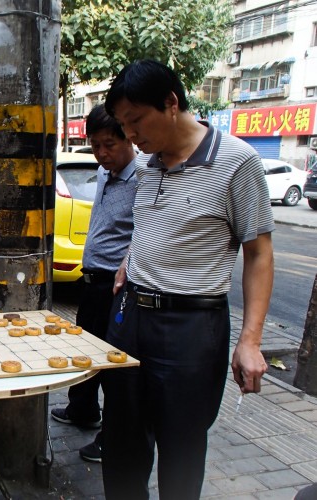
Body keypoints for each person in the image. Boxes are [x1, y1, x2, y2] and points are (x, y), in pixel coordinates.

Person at [101, 59, 274, 500]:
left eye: (136, 121)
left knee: (180, 449)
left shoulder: (238, 162)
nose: (132, 135)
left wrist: (250, 340)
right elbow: (151, 224)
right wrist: (129, 259)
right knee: (120, 442)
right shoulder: (146, 165)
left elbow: (258, 254)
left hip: (191, 329)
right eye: (124, 125)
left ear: (171, 103)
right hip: (129, 318)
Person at [50, 104, 137, 463]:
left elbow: (146, 234)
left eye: (109, 145)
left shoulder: (144, 178)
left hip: (119, 289)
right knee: (86, 352)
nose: (102, 154)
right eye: (95, 145)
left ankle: (113, 438)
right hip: (92, 281)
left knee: (114, 364)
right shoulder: (104, 173)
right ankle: (83, 409)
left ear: (129, 139)